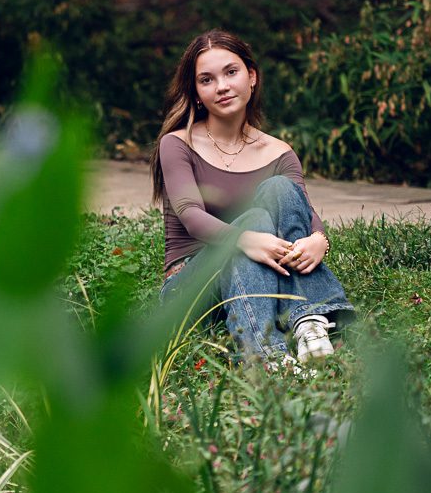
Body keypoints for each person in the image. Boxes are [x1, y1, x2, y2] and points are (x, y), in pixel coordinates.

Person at [149, 29, 354, 366]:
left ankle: (307, 321)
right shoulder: (177, 143)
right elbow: (189, 214)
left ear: (252, 77)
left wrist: (319, 240)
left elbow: (301, 210)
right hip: (191, 291)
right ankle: (264, 356)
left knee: (280, 190)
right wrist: (243, 238)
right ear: (197, 93)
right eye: (207, 79)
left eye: (231, 72)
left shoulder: (279, 152)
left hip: (258, 285)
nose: (222, 86)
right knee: (256, 221)